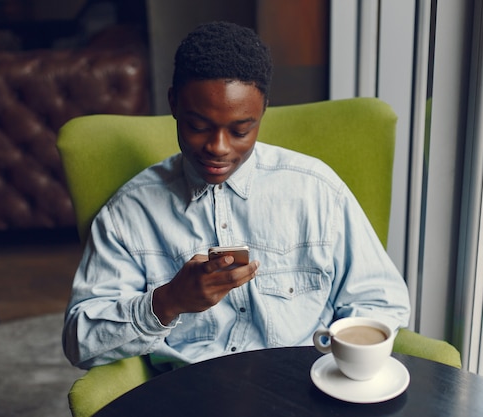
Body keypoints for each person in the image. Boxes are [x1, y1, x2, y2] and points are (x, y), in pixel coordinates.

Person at [62, 21, 410, 370]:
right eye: (198, 126)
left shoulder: (316, 190)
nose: (218, 147)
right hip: (195, 396)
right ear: (174, 104)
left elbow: (380, 299)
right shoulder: (129, 213)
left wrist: (337, 353)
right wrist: (168, 301)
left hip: (303, 390)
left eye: (241, 131)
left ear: (262, 113)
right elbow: (80, 342)